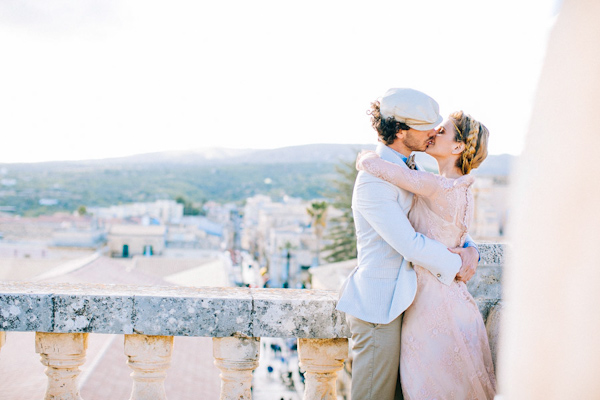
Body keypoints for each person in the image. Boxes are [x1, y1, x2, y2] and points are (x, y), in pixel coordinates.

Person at [336, 88, 480, 400]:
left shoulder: (411, 169)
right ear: (401, 131)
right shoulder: (373, 181)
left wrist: (470, 249)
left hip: (413, 307)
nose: (433, 132)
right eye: (425, 127)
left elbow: (441, 221)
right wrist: (458, 266)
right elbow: (411, 245)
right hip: (381, 308)